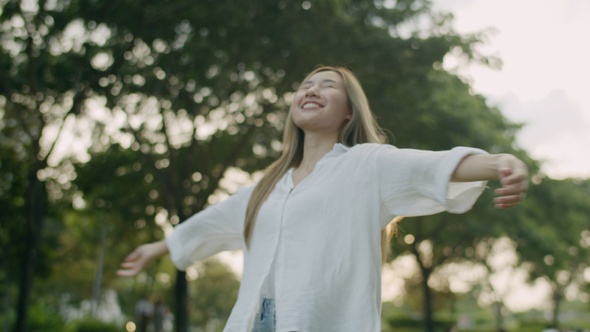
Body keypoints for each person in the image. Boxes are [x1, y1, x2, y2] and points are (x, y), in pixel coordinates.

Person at [117, 66, 528, 332]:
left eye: (327, 86)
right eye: (305, 85)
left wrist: (501, 163)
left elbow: (435, 167)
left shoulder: (366, 166)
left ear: (349, 112)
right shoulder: (268, 186)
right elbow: (215, 220)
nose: (312, 90)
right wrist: (159, 247)